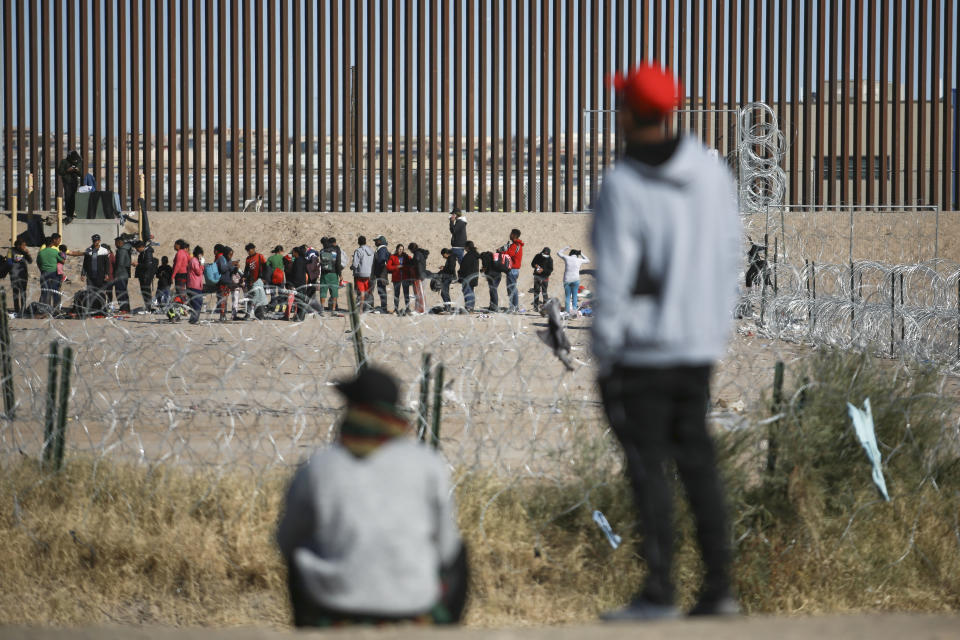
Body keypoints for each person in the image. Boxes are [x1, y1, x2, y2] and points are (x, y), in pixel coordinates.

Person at [593, 63, 742, 621]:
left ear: (628, 113)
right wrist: (713, 330)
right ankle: (719, 589)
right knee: (699, 465)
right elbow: (729, 256)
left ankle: (660, 591)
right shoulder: (711, 174)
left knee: (648, 468)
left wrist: (605, 355)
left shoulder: (623, 184)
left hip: (640, 352)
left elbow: (614, 279)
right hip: (696, 347)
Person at [276, 367, 466, 628]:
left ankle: (311, 628)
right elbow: (448, 547)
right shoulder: (426, 463)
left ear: (351, 408)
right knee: (460, 552)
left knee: (301, 553)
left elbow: (286, 541)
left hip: (332, 604)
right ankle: (442, 629)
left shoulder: (319, 465)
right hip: (413, 603)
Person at [80, 234, 110, 311]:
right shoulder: (88, 250)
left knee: (100, 292)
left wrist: (107, 274)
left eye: (97, 241)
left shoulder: (104, 251)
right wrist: (83, 274)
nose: (95, 242)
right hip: (90, 276)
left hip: (100, 275)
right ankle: (92, 308)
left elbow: (107, 264)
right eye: (94, 241)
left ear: (99, 241)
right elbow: (85, 264)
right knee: (91, 292)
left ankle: (101, 308)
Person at [557, 247, 590, 316]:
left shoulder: (567, 258)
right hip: (576, 280)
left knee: (567, 296)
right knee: (574, 296)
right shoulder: (579, 260)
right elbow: (588, 260)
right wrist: (581, 254)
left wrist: (565, 248)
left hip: (567, 280)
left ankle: (567, 311)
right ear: (576, 255)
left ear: (570, 253)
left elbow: (558, 253)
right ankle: (574, 312)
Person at [36, 236, 64, 310]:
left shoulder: (41, 252)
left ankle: (44, 309)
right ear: (51, 243)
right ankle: (56, 309)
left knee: (45, 292)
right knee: (55, 291)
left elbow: (38, 262)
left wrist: (42, 270)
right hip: (54, 274)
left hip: (44, 273)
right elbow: (62, 261)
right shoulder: (55, 251)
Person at [8, 238, 32, 315]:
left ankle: (23, 309)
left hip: (23, 274)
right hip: (14, 274)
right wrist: (17, 258)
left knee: (23, 292)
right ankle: (16, 309)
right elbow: (8, 261)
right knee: (15, 292)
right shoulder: (10, 250)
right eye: (23, 245)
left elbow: (30, 261)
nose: (25, 247)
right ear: (18, 245)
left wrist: (27, 254)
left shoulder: (24, 251)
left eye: (25, 245)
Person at [385, 244, 411, 315]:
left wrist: (404, 267)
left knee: (406, 294)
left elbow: (411, 264)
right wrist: (397, 267)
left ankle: (407, 308)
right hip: (396, 278)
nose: (401, 251)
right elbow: (388, 267)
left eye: (402, 249)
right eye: (399, 249)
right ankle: (396, 309)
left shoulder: (406, 256)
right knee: (397, 294)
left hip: (405, 278)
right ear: (397, 249)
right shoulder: (393, 257)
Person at [351, 236, 375, 311]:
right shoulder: (371, 251)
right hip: (369, 274)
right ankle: (369, 307)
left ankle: (360, 308)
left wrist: (351, 267)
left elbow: (355, 264)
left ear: (358, 242)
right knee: (368, 291)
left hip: (360, 274)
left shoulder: (358, 251)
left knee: (361, 292)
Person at [317, 239, 341, 313]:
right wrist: (340, 274)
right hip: (334, 274)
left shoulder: (321, 251)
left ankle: (322, 309)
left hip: (324, 274)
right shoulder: (335, 251)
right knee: (334, 292)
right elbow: (338, 263)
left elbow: (321, 262)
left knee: (323, 292)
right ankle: (333, 309)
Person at [504, 229, 524, 312]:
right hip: (514, 269)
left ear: (514, 235)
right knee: (512, 288)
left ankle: (514, 307)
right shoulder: (517, 245)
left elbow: (509, 254)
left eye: (511, 233)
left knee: (512, 288)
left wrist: (501, 251)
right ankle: (513, 306)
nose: (510, 235)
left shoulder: (515, 245)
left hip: (513, 269)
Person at [134, 241, 158, 312]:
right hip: (144, 275)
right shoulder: (144, 252)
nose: (137, 250)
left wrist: (138, 264)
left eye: (137, 248)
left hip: (146, 275)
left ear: (141, 247)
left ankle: (149, 308)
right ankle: (148, 307)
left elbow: (148, 265)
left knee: (146, 292)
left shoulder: (147, 253)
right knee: (144, 291)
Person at [57, 150, 82, 218]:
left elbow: (81, 174)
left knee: (73, 197)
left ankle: (71, 212)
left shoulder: (78, 162)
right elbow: (60, 172)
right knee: (68, 197)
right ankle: (69, 213)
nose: (74, 161)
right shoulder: (64, 162)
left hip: (74, 181)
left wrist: (77, 170)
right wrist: (67, 170)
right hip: (67, 181)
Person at [112, 236, 134, 312]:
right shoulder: (126, 249)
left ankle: (124, 308)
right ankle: (125, 308)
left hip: (120, 274)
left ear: (120, 242)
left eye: (116, 243)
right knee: (123, 291)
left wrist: (116, 275)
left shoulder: (121, 251)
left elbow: (120, 264)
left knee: (120, 292)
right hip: (125, 274)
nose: (115, 244)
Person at [406, 242, 429, 315]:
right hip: (421, 275)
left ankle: (421, 310)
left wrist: (419, 276)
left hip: (418, 276)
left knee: (419, 294)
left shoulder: (417, 255)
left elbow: (417, 265)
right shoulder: (420, 253)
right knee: (419, 293)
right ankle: (419, 309)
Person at [458, 241, 480, 313]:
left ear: (467, 247)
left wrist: (460, 275)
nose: (464, 249)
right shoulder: (475, 255)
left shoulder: (468, 256)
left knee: (467, 292)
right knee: (470, 292)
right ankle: (470, 307)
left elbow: (464, 267)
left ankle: (469, 308)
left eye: (465, 247)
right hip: (473, 277)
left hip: (467, 277)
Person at [288, 245, 308, 321]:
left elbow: (297, 273)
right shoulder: (302, 259)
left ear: (296, 252)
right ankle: (300, 317)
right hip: (302, 282)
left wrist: (293, 284)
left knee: (300, 301)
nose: (292, 253)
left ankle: (300, 317)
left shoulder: (298, 260)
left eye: (293, 252)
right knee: (300, 301)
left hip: (299, 284)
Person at [531, 247, 554, 313]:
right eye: (544, 254)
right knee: (536, 291)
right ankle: (535, 307)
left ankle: (545, 307)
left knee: (544, 292)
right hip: (537, 276)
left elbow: (550, 270)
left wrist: (543, 271)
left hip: (545, 277)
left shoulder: (550, 259)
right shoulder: (537, 256)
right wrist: (536, 267)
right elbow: (532, 263)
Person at [372, 236, 391, 313]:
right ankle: (383, 307)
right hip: (382, 273)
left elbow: (382, 260)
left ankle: (384, 308)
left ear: (380, 241)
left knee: (382, 290)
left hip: (381, 273)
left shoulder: (382, 249)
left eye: (376, 241)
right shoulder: (382, 249)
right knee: (382, 290)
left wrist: (378, 268)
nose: (375, 242)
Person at [186, 246, 205, 324]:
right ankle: (194, 319)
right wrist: (202, 264)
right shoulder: (194, 261)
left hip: (195, 285)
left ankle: (193, 319)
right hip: (194, 285)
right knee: (197, 303)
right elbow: (198, 272)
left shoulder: (195, 261)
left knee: (196, 303)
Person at [436, 248, 458, 312]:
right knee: (444, 293)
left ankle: (448, 307)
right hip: (448, 277)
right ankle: (448, 306)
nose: (443, 257)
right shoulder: (451, 258)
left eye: (443, 255)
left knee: (444, 293)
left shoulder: (451, 258)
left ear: (446, 253)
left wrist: (443, 268)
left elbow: (451, 269)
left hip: (448, 277)